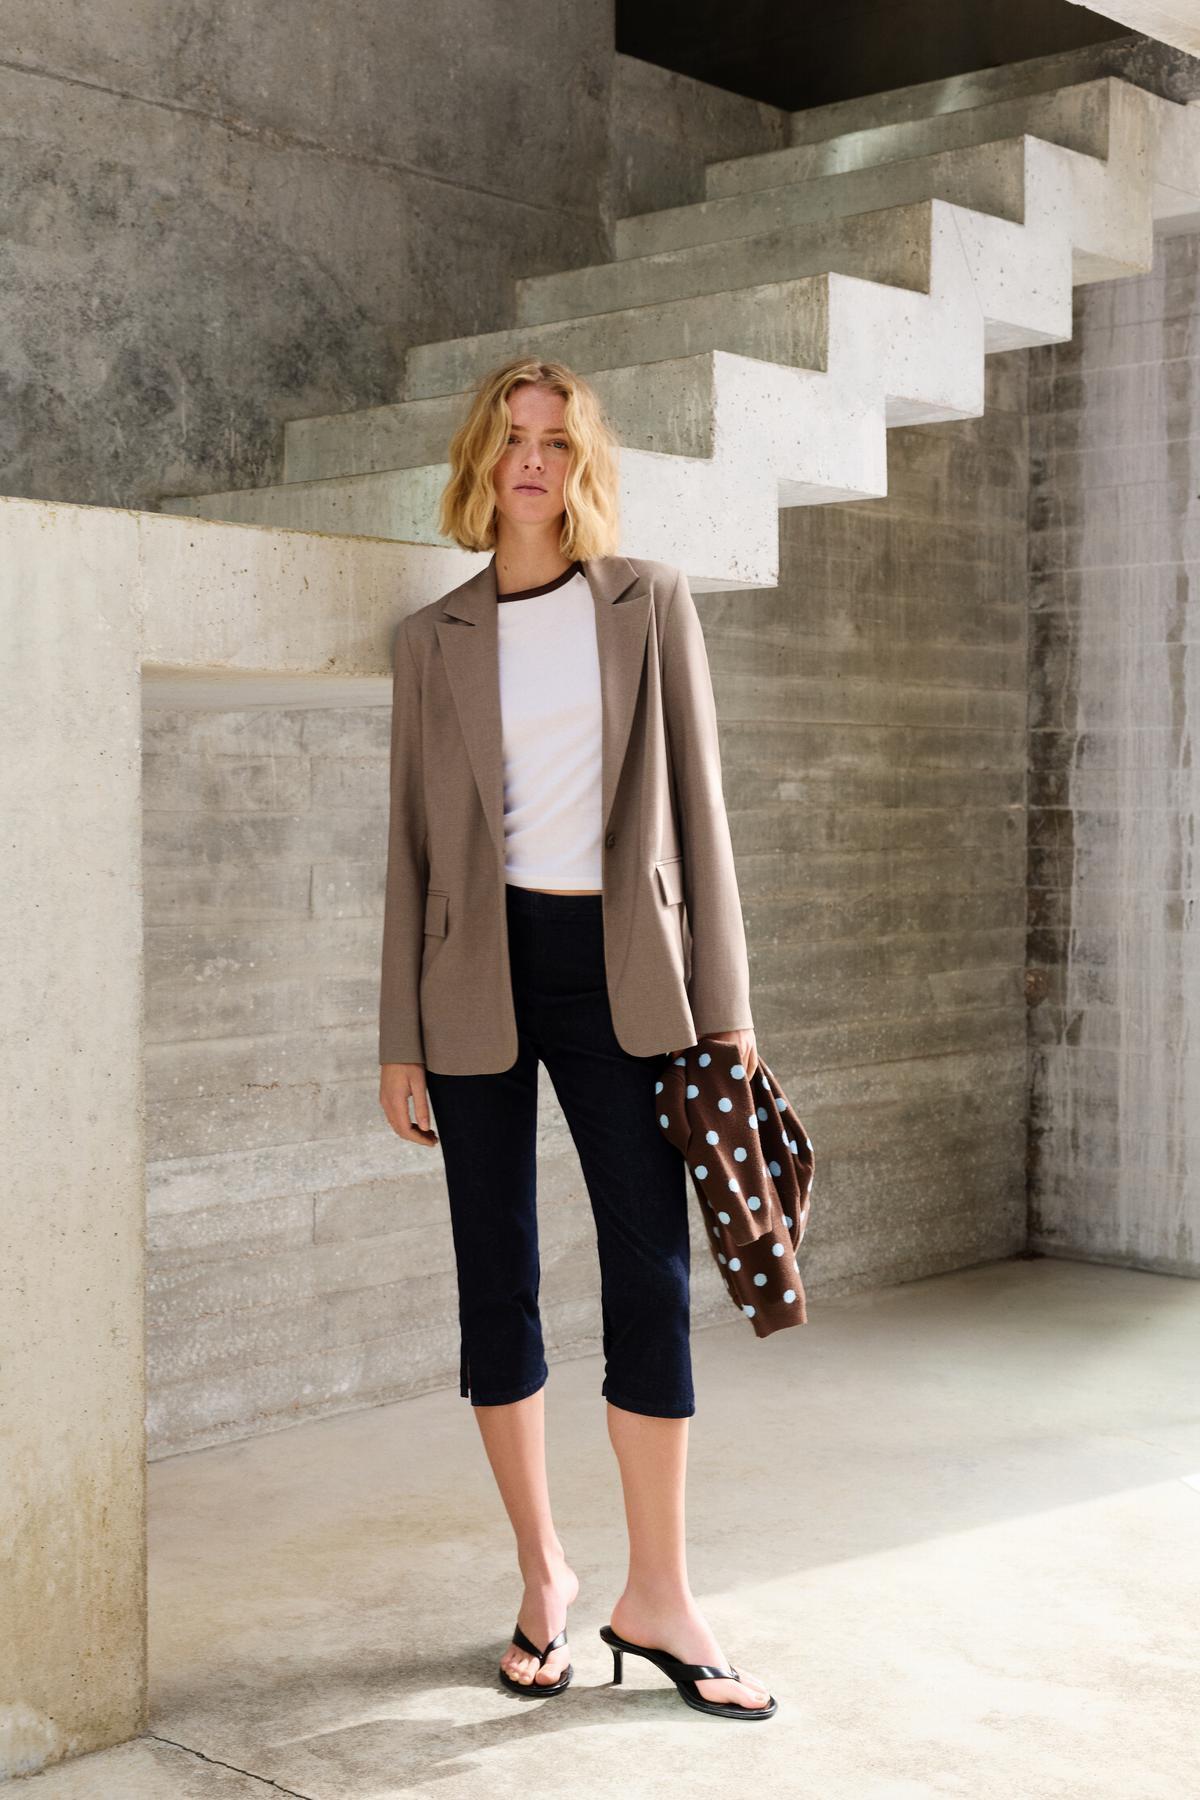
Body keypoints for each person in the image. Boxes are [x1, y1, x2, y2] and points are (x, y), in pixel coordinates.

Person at [377, 356, 775, 1718]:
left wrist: (729, 1010)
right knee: (495, 1280)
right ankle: (543, 1574)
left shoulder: (647, 602)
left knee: (650, 1270)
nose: (532, 460)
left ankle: (658, 1593)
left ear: (582, 461)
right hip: (473, 978)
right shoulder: (432, 638)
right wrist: (395, 1037)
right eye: (512, 437)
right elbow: (409, 850)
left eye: (554, 440)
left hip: (624, 971)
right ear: (481, 461)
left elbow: (701, 812)